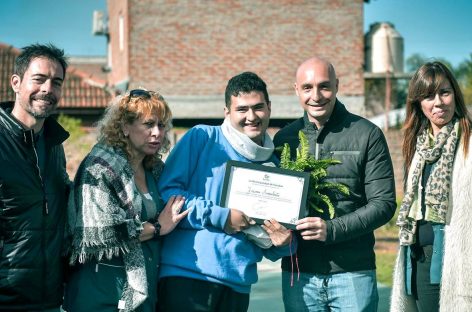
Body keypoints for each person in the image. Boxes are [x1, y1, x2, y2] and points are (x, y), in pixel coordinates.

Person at [157, 71, 296, 312]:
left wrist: (284, 242)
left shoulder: (274, 165)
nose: (251, 116)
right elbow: (168, 193)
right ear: (227, 112)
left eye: (258, 107)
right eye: (242, 109)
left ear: (269, 108)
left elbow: (277, 241)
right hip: (188, 274)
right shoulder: (202, 137)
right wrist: (222, 217)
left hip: (238, 283)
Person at [273, 57, 396, 311]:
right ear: (296, 90)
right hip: (300, 274)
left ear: (337, 86)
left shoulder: (367, 134)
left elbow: (383, 203)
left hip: (353, 272)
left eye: (324, 86)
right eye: (307, 88)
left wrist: (332, 229)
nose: (316, 96)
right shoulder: (285, 138)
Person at [63, 89, 189, 312]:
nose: (157, 133)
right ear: (124, 127)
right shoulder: (98, 167)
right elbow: (100, 233)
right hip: (102, 292)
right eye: (148, 124)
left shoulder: (156, 169)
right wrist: (158, 227)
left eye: (161, 125)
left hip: (145, 291)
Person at [390, 62, 472, 311]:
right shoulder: (417, 147)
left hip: (457, 260)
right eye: (428, 96)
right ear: (418, 103)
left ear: (454, 96)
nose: (438, 102)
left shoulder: (468, 141)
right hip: (418, 259)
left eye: (444, 93)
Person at [0, 43, 70, 311]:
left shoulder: (54, 145)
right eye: (39, 79)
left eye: (56, 82)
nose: (47, 90)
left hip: (49, 299)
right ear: (16, 83)